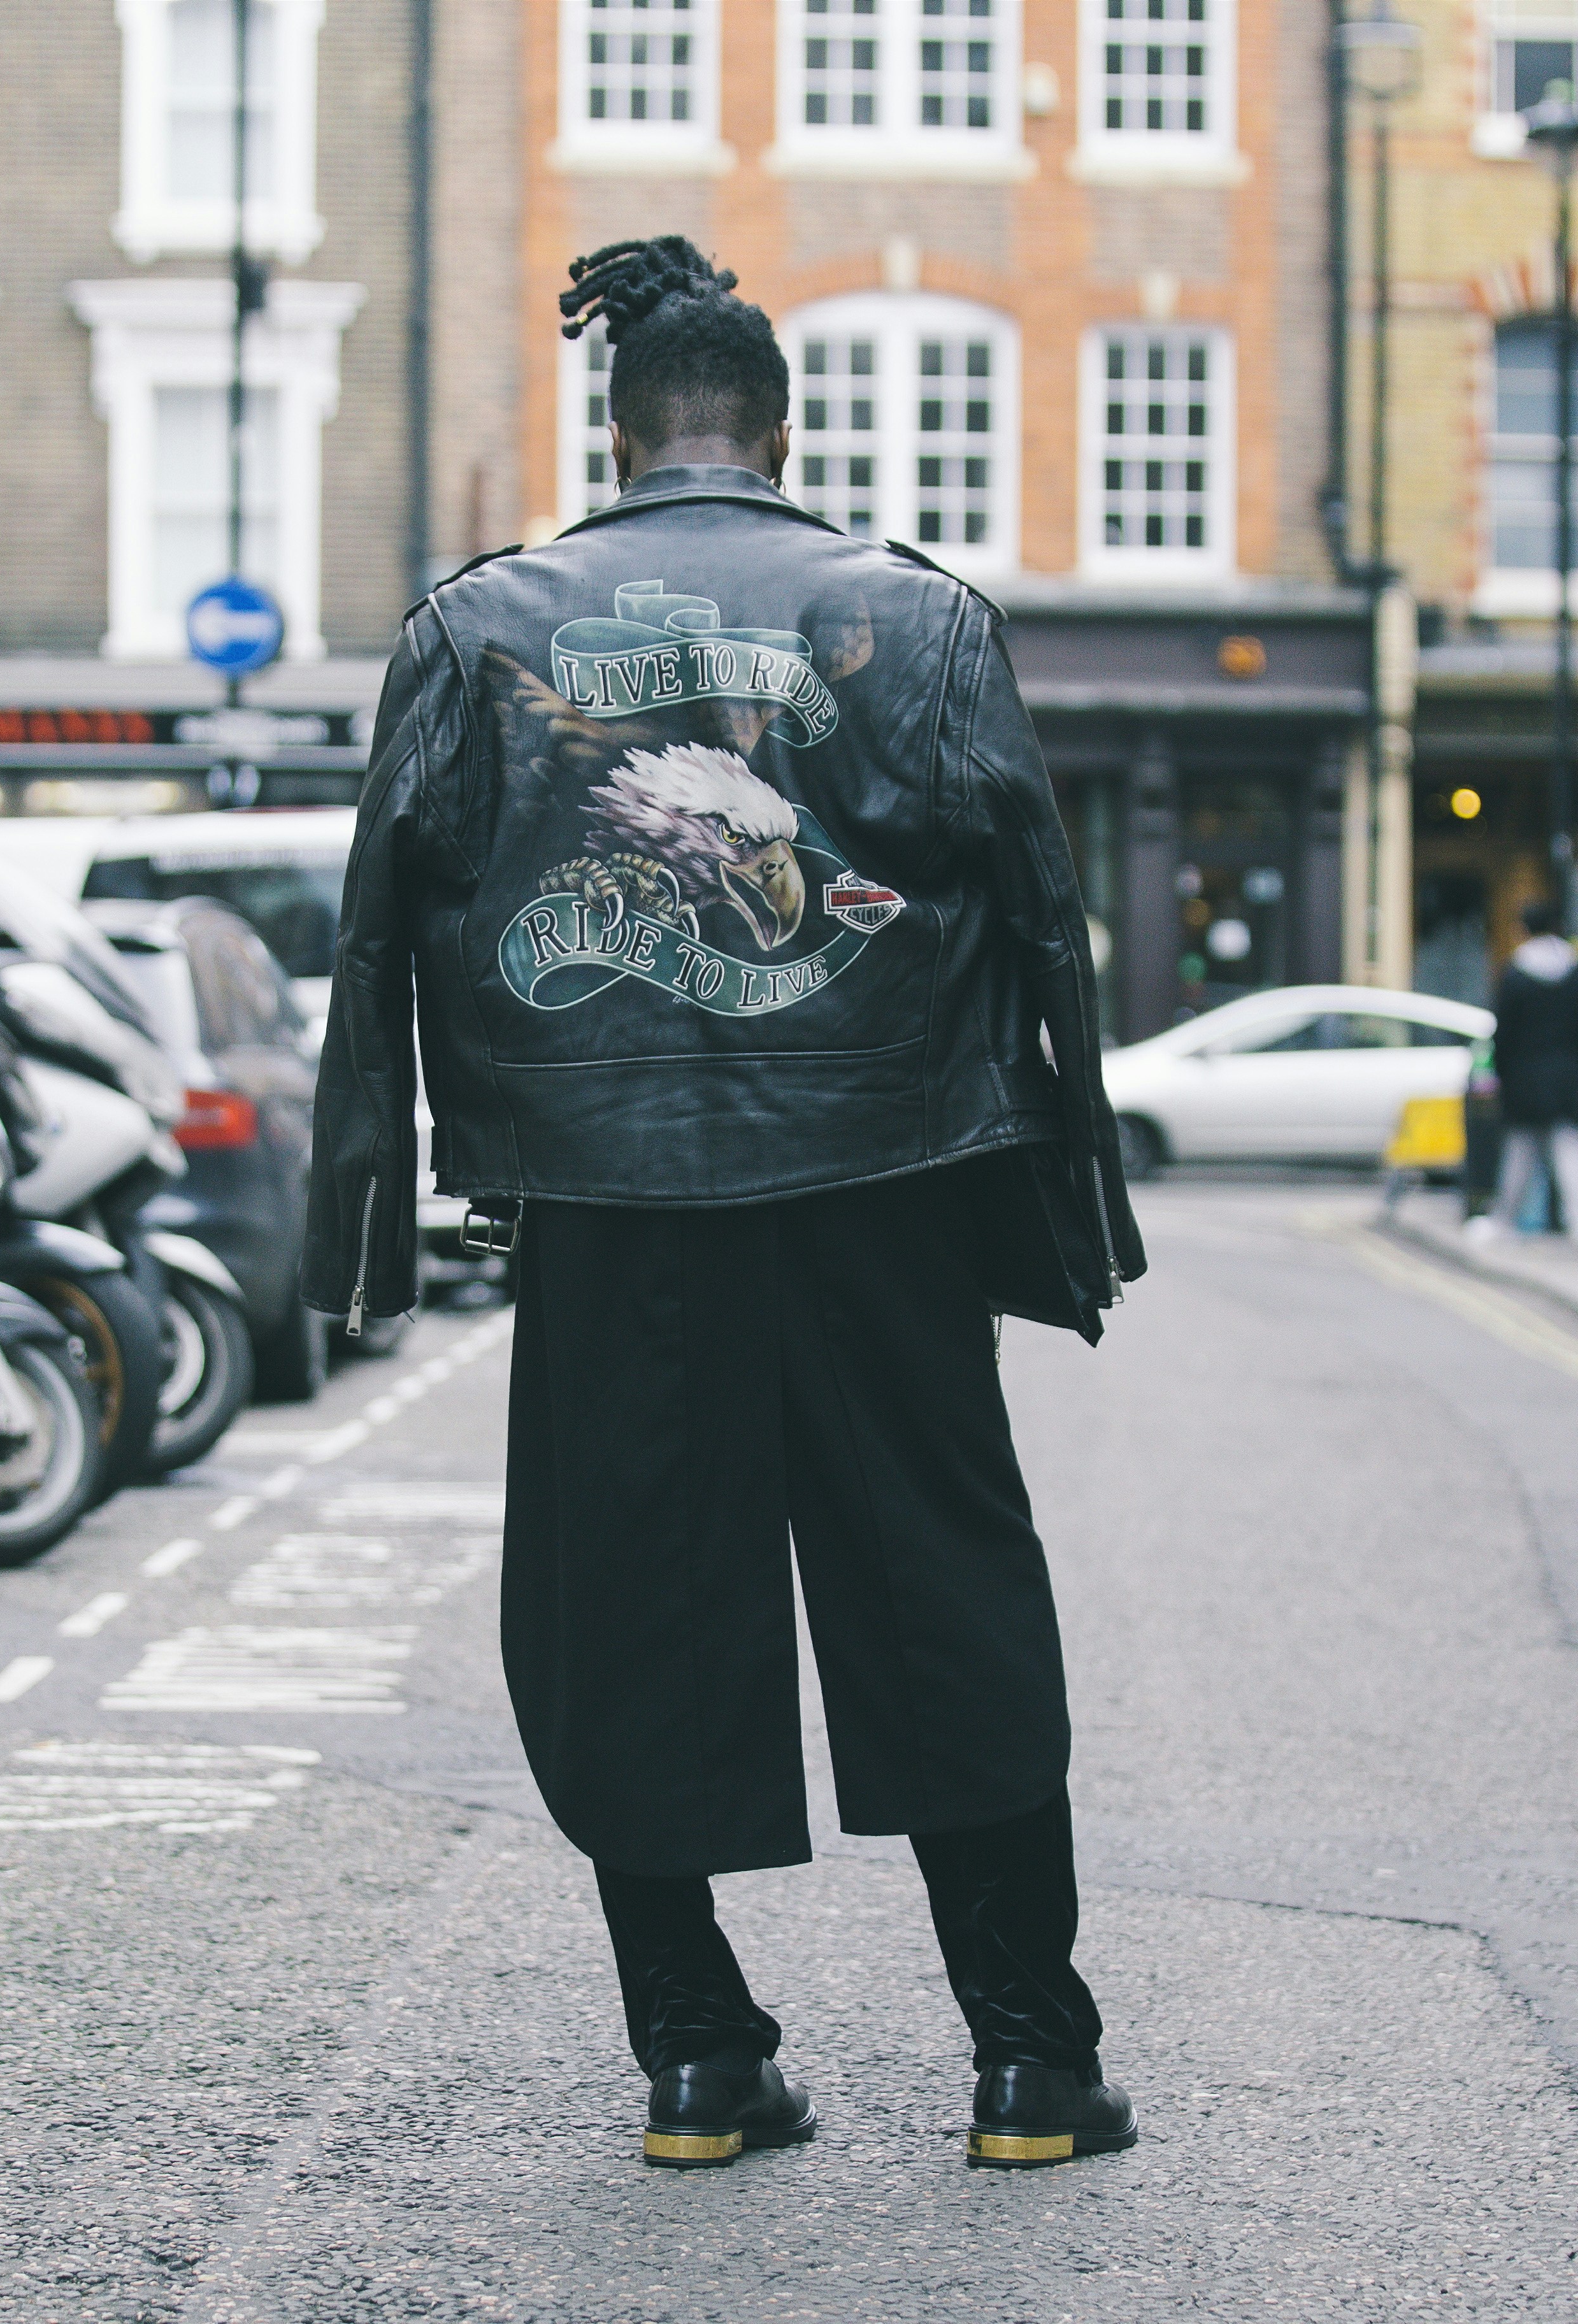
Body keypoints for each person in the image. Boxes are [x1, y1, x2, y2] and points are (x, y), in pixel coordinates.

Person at [304, 236, 1145, 2175]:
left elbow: (375, 930)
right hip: (888, 1191)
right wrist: (1066, 1193)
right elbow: (1041, 914)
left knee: (629, 1611)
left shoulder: (475, 627)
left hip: (606, 1204)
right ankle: (1028, 2064)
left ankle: (696, 2061)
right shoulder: (917, 616)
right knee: (946, 1598)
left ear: (617, 435)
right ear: (783, 432)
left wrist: (374, 1204)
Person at [1471, 895, 1578, 1251]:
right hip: (1570, 1078)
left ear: (1523, 930)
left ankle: (1503, 1221)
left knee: (1518, 1155)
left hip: (1526, 1079)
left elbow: (1503, 1034)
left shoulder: (1516, 975)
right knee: (1573, 1152)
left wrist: (1502, 1075)